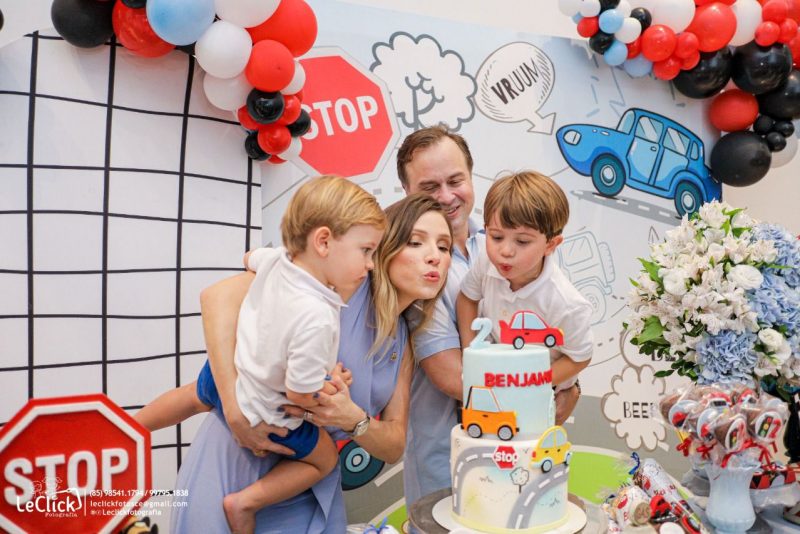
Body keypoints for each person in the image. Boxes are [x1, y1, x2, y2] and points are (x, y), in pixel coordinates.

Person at [169, 193, 453, 533]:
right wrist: (234, 409)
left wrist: (353, 419)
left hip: (310, 481)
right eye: (416, 242)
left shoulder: (402, 342)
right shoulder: (338, 284)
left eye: (444, 247)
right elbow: (216, 297)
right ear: (383, 247)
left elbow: (393, 446)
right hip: (242, 457)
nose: (435, 257)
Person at [135, 176, 386, 533]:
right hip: (266, 412)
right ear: (324, 241)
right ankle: (245, 504)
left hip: (233, 374)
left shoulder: (277, 261)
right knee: (326, 460)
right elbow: (299, 392)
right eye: (366, 251)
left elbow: (248, 258)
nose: (371, 264)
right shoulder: (318, 315)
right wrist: (328, 387)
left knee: (191, 395)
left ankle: (131, 429)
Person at [398, 126, 582, 507]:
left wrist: (568, 384)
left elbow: (562, 333)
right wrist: (537, 388)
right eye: (429, 187)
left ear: (471, 176)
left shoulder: (502, 240)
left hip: (523, 450)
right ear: (406, 191)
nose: (446, 196)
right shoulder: (413, 265)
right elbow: (453, 376)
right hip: (448, 459)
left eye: (455, 181)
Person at [456, 171, 593, 390]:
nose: (505, 251)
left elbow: (580, 357)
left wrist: (530, 383)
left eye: (522, 241)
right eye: (496, 237)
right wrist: (471, 352)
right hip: (498, 378)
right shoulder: (486, 263)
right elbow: (467, 298)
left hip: (542, 391)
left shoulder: (568, 304)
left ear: (550, 245)